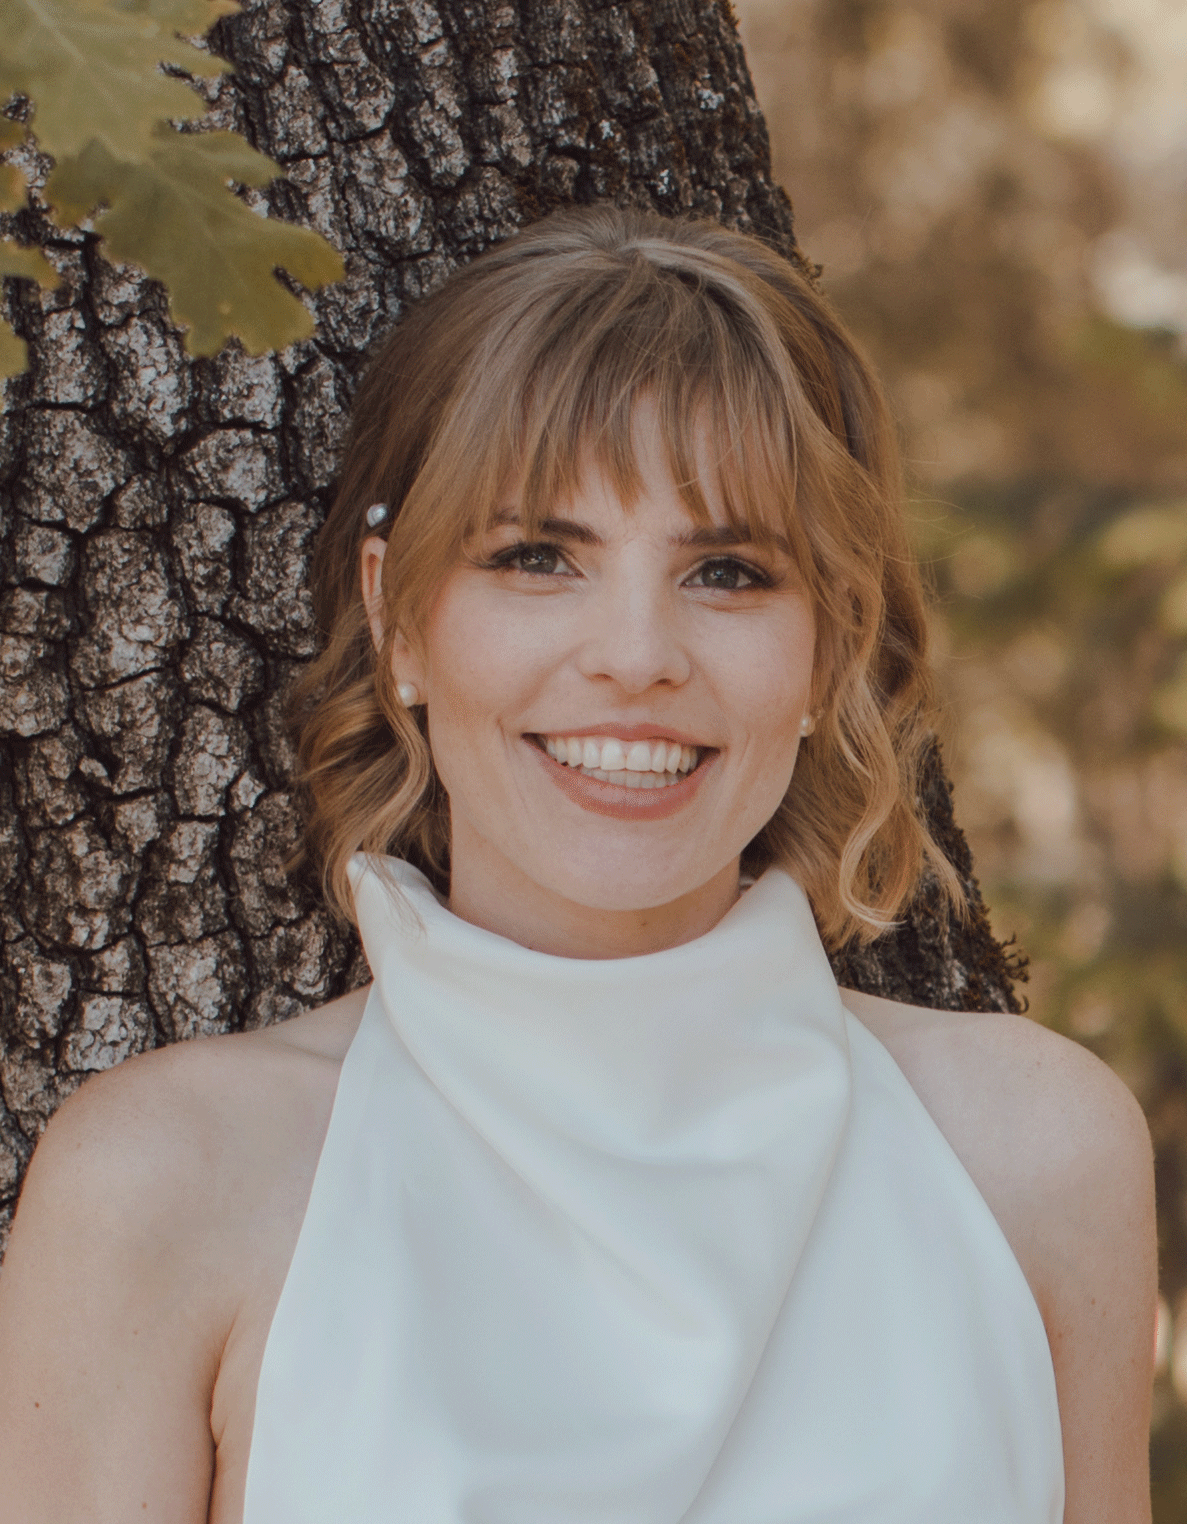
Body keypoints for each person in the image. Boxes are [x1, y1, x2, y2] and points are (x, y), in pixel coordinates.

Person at [0, 206, 1156, 1524]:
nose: (634, 655)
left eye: (726, 572)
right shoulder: (164, 1183)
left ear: (829, 644)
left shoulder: (1033, 1151)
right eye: (536, 558)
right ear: (396, 616)